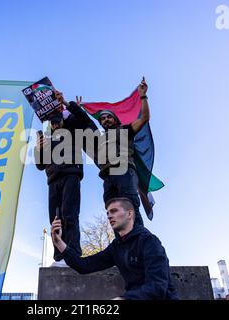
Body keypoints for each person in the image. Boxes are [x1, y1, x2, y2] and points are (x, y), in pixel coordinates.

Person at [51, 197, 178, 300]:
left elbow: (157, 287)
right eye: (107, 213)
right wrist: (59, 243)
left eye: (114, 211)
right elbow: (85, 265)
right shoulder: (116, 247)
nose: (109, 216)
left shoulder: (149, 241)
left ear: (129, 214)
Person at [35, 91, 97, 265]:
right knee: (55, 220)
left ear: (62, 118)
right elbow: (40, 165)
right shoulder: (45, 137)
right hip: (53, 179)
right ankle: (59, 256)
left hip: (71, 174)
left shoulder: (73, 129)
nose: (55, 124)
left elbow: (87, 123)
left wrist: (68, 104)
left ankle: (73, 253)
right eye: (52, 122)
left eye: (57, 120)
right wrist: (39, 149)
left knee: (70, 215)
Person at [95, 78, 151, 226]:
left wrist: (143, 96)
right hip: (107, 177)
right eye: (102, 119)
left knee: (130, 207)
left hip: (125, 171)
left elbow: (145, 117)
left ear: (115, 119)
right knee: (113, 213)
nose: (105, 120)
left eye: (108, 117)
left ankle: (141, 243)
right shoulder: (100, 139)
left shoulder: (125, 130)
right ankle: (121, 245)